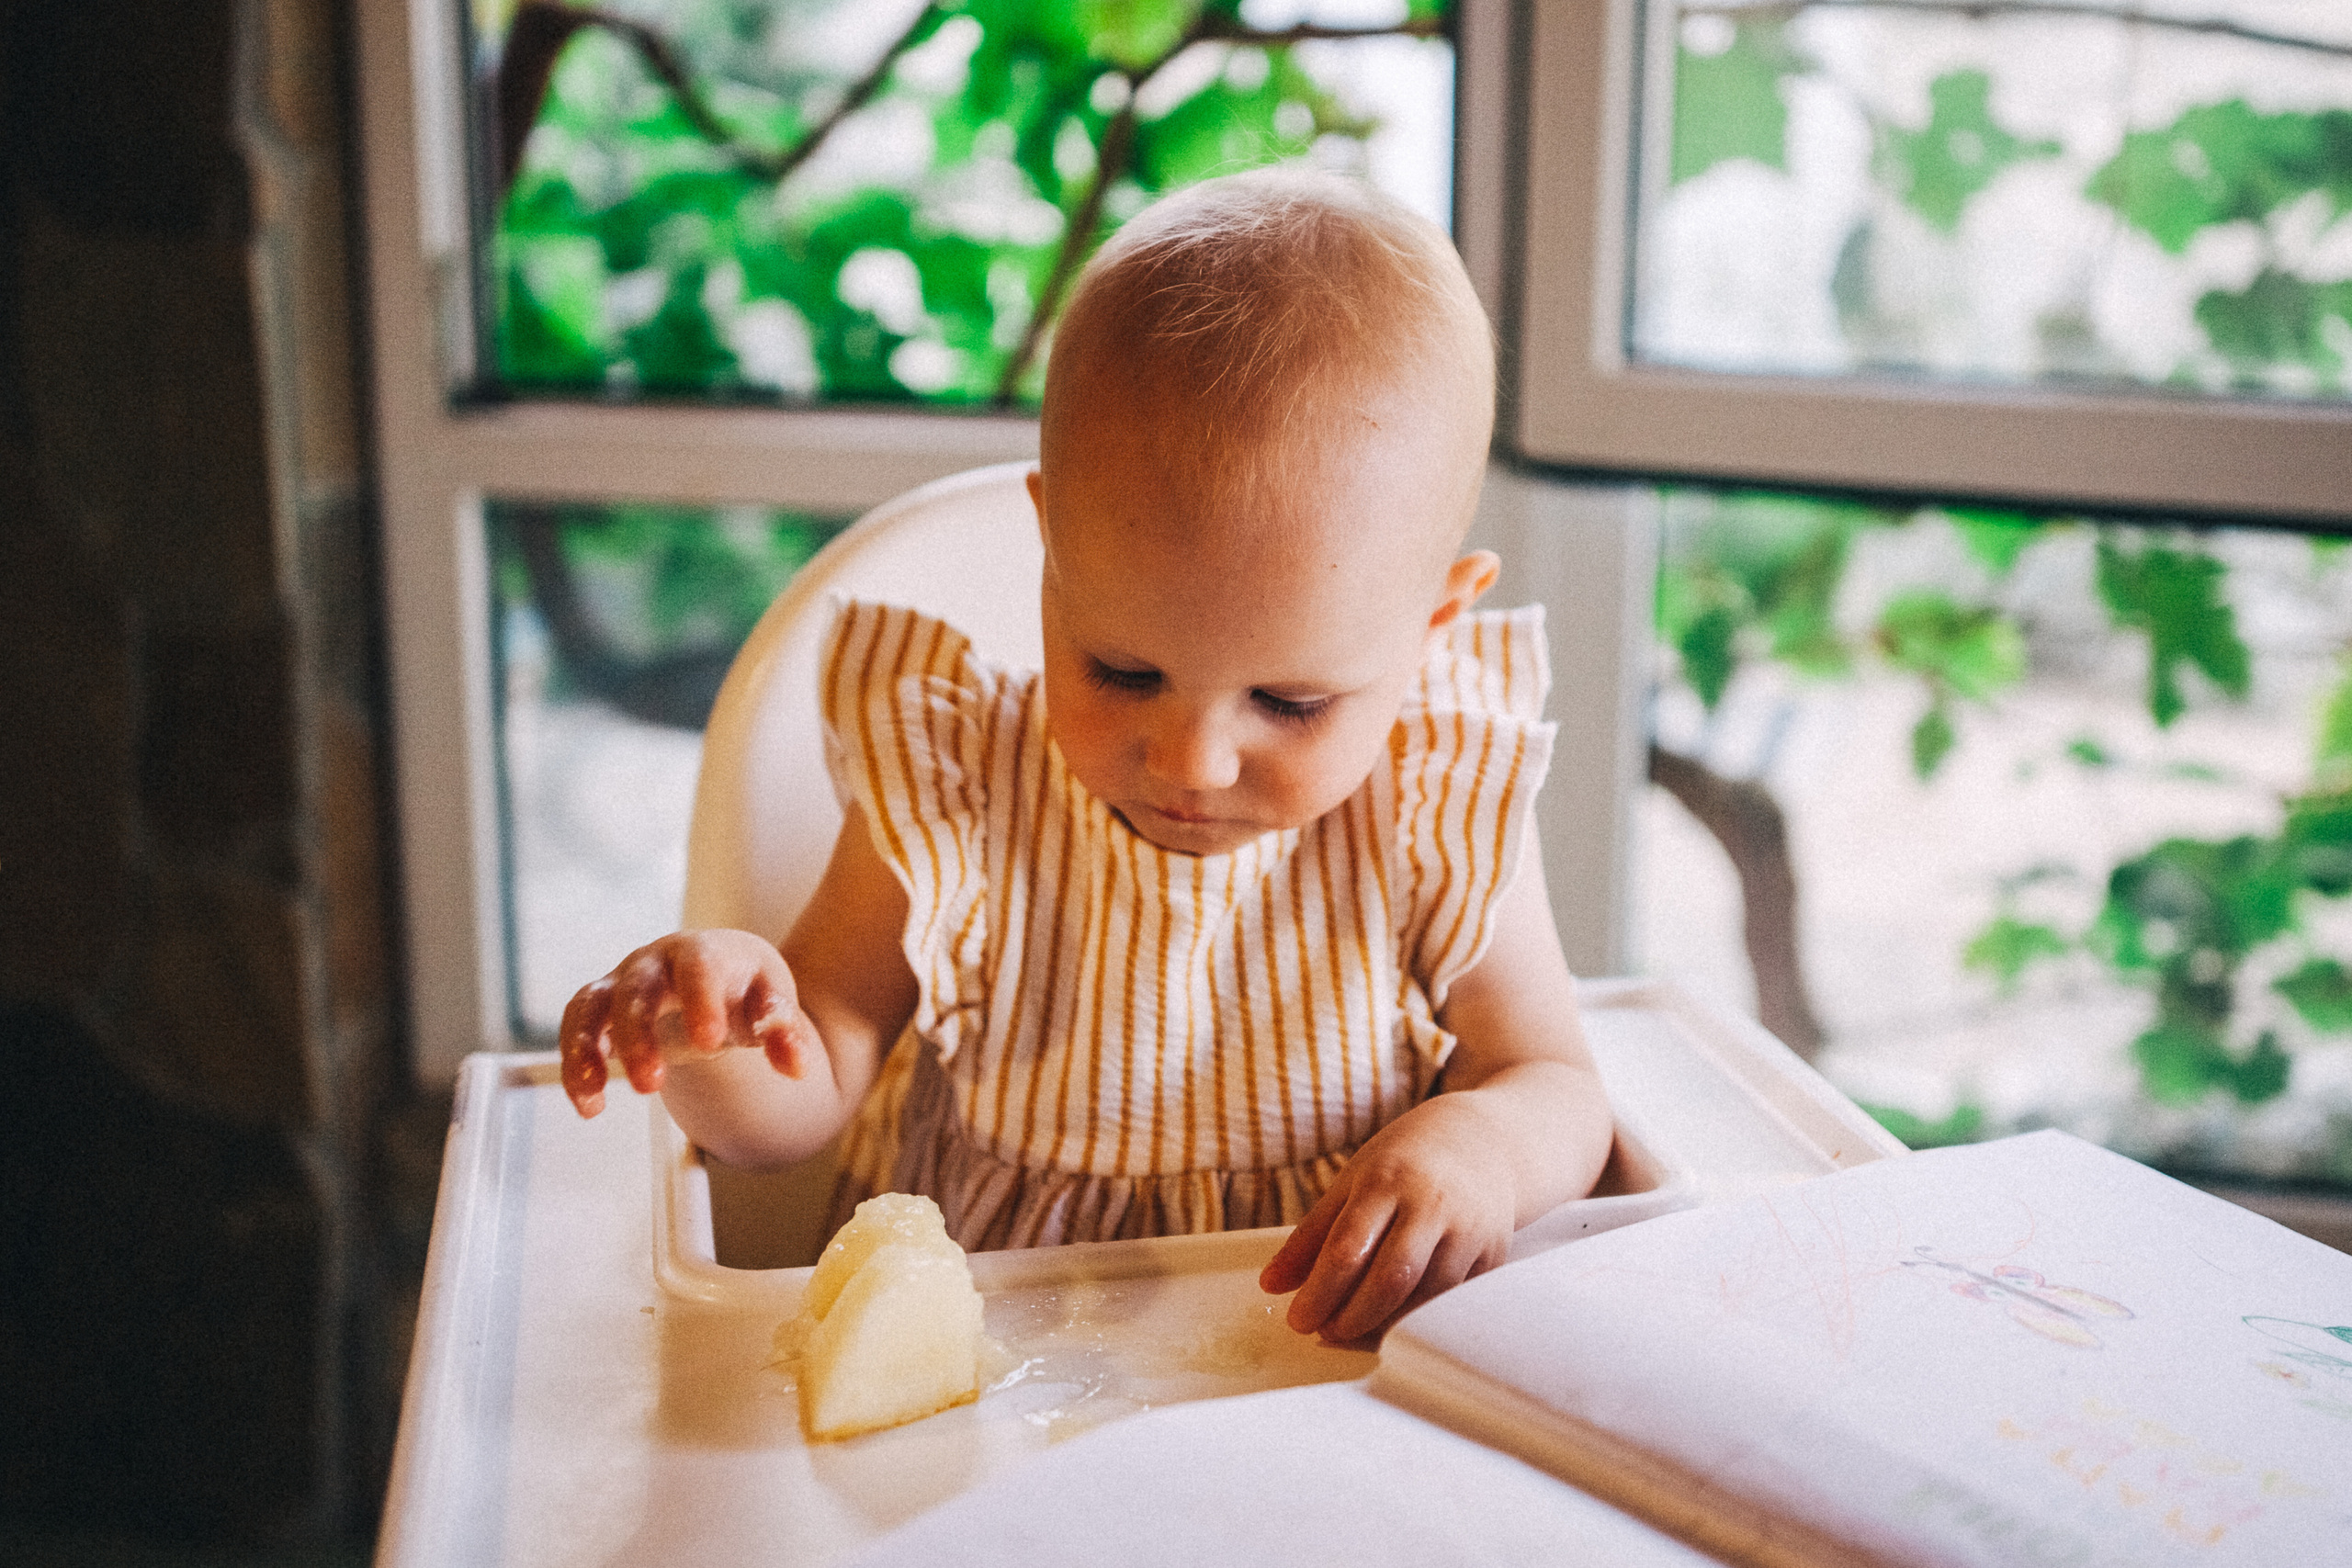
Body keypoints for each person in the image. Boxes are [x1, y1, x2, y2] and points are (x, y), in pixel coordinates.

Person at [559, 168, 1614, 1344]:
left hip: (1315, 1373)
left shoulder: (1432, 811)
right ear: (1051, 544)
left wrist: (1481, 1149)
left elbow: (1560, 1090)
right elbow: (810, 1081)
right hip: (971, 1384)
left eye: (1291, 700)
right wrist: (710, 1046)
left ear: (1435, 626)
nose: (1195, 760)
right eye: (1123, 672)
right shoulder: (959, 788)